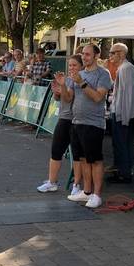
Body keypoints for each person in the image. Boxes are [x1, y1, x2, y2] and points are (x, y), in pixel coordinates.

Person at [66, 44, 113, 209]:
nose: (84, 57)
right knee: (83, 159)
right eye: (82, 54)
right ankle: (86, 192)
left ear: (96, 55)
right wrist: (59, 89)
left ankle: (97, 195)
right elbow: (68, 98)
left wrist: (82, 83)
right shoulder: (79, 74)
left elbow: (98, 97)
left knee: (95, 160)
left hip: (93, 123)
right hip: (77, 122)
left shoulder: (103, 73)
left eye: (87, 54)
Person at [37, 54, 83, 194]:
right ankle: (52, 182)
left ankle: (76, 184)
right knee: (56, 150)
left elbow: (69, 97)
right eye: (70, 65)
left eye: (74, 65)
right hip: (64, 118)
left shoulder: (80, 80)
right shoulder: (67, 79)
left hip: (76, 120)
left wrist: (62, 87)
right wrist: (56, 92)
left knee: (77, 154)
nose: (71, 68)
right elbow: (61, 98)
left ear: (81, 66)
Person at [108, 44, 134, 184]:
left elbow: (128, 95)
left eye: (112, 53)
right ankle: (123, 171)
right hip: (122, 113)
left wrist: (125, 117)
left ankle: (124, 173)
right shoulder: (124, 68)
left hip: (123, 114)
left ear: (121, 54)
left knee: (122, 143)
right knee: (123, 143)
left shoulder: (126, 68)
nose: (110, 56)